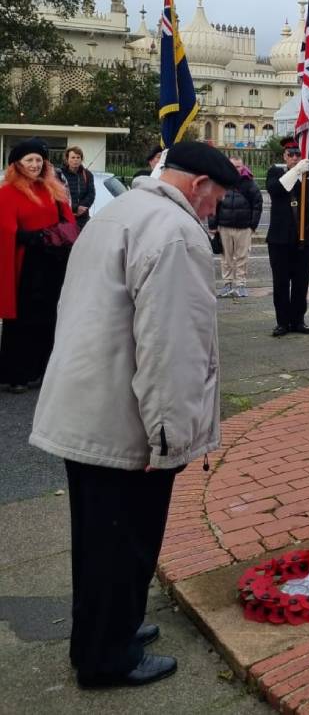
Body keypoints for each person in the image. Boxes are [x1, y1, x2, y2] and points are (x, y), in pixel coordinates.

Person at [29, 141, 241, 690]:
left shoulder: (119, 212)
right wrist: (167, 439)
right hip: (127, 422)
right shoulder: (175, 234)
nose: (214, 212)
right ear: (196, 186)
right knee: (126, 540)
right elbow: (170, 347)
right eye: (214, 199)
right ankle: (107, 657)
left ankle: (105, 632)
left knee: (99, 539)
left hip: (88, 404)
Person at [0, 138, 76, 393]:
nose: (34, 165)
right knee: (22, 320)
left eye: (38, 160)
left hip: (52, 261)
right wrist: (29, 236)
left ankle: (40, 370)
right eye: (29, 160)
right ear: (17, 164)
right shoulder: (7, 192)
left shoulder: (53, 189)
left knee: (48, 317)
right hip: (26, 264)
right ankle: (15, 374)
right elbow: (6, 230)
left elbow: (67, 220)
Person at [265, 137, 309, 337]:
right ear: (284, 156)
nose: (294, 157)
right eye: (290, 154)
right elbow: (277, 190)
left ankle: (298, 320)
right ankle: (282, 322)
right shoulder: (276, 173)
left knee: (301, 284)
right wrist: (296, 170)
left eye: (297, 154)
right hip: (280, 240)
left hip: (305, 240)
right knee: (281, 283)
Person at [208, 156, 263, 298]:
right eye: (233, 166)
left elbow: (257, 205)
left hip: (244, 227)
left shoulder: (250, 184)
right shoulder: (221, 182)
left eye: (238, 166)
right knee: (226, 257)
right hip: (224, 226)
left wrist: (252, 226)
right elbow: (213, 203)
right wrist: (213, 225)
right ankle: (227, 284)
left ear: (243, 167)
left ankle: (241, 285)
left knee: (242, 257)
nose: (236, 169)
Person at [60, 146, 96, 229]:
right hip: (65, 219)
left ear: (81, 159)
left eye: (78, 157)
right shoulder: (60, 174)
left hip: (82, 219)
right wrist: (74, 208)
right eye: (72, 157)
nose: (75, 160)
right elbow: (58, 196)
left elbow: (91, 194)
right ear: (67, 159)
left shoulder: (87, 175)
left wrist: (82, 207)